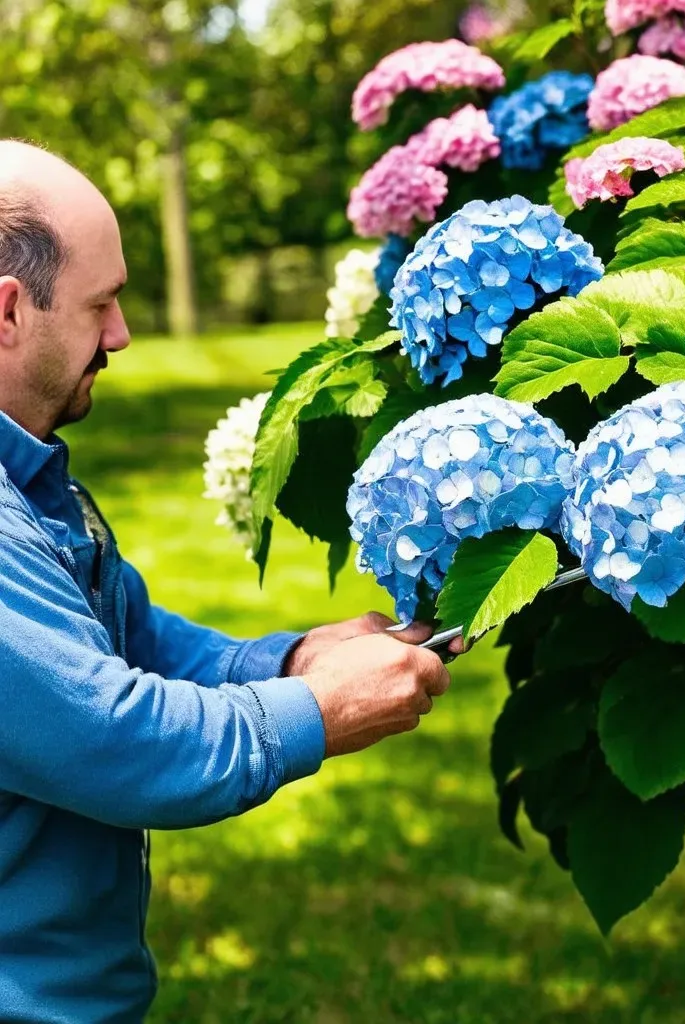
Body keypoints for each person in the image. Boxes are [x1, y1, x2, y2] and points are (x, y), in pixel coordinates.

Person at [0, 139, 458, 1023]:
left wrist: (295, 659)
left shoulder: (31, 481)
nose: (122, 335)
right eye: (103, 305)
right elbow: (117, 743)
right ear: (9, 312)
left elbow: (133, 638)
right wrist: (322, 711)